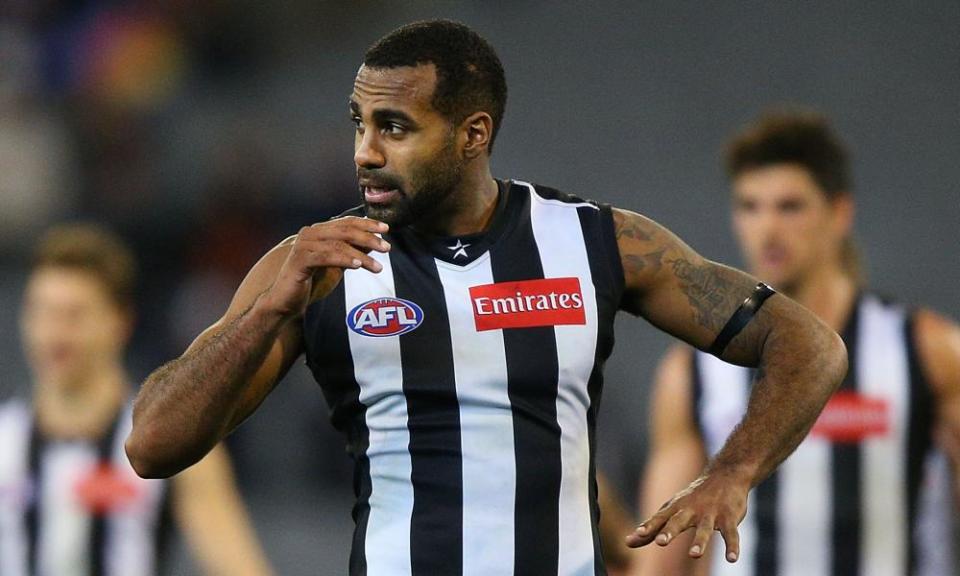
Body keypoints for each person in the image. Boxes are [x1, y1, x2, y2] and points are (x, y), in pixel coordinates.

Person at [125, 21, 847, 575]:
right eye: (360, 123)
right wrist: (266, 312)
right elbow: (152, 444)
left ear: (474, 135)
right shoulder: (315, 264)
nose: (364, 151)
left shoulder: (600, 243)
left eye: (395, 127)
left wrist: (733, 471)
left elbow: (807, 344)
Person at [637, 111, 960, 576]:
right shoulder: (693, 371)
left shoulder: (928, 350)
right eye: (750, 206)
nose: (767, 229)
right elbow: (666, 550)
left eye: (789, 207)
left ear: (840, 212)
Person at [0, 224, 274, 576]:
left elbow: (240, 568)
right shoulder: (6, 442)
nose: (54, 332)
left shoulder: (170, 441)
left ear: (120, 321)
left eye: (74, 315)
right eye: (42, 312)